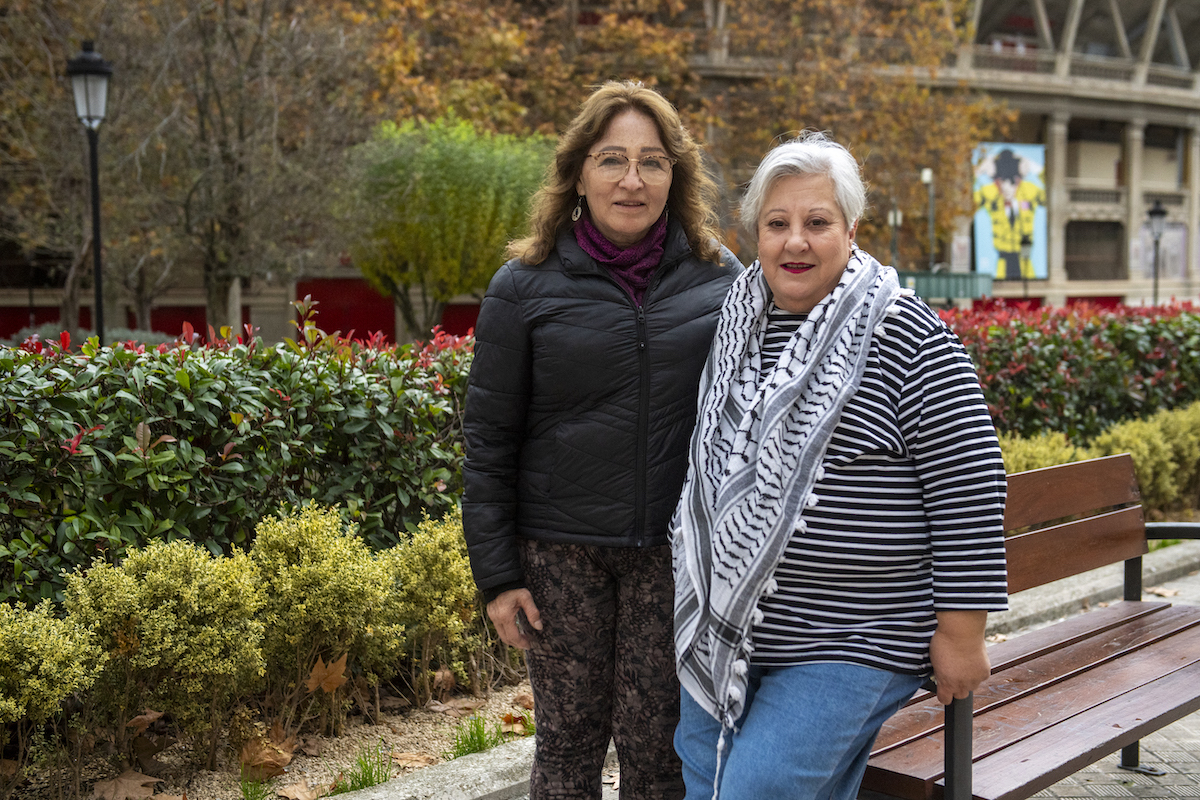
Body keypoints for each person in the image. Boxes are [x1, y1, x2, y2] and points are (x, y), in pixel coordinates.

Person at [671, 132, 1009, 800]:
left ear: (851, 230)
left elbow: (968, 485)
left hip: (856, 636)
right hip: (726, 627)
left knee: (756, 790)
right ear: (757, 234)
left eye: (817, 222)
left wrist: (962, 635)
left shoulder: (905, 333)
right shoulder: (735, 326)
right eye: (777, 224)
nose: (795, 241)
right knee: (701, 770)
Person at [462, 80, 741, 800]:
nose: (632, 179)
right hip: (560, 556)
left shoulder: (723, 281)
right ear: (578, 172)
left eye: (652, 161)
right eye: (612, 159)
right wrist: (497, 578)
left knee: (659, 756)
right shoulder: (521, 287)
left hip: (672, 555)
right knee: (567, 747)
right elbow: (489, 440)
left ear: (674, 175)